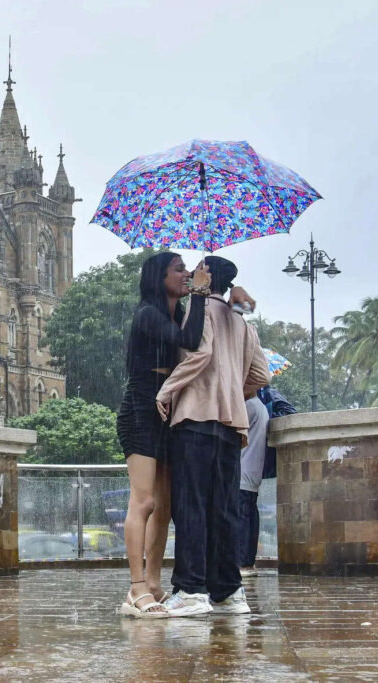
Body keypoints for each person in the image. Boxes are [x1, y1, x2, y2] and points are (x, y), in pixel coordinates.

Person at [156, 256, 269, 617]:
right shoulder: (242, 323)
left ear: (208, 276)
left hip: (196, 417)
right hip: (232, 425)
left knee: (191, 506)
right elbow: (261, 375)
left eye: (197, 268)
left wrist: (167, 389)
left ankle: (190, 589)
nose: (190, 273)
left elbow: (198, 355)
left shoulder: (197, 309)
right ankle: (228, 591)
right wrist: (234, 391)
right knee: (224, 509)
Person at [116, 252, 210, 618]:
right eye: (179, 269)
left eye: (188, 269)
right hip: (141, 409)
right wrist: (200, 294)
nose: (187, 274)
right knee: (144, 502)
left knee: (165, 506)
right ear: (160, 277)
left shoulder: (177, 313)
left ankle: (154, 583)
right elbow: (190, 339)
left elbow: (194, 341)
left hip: (167, 409)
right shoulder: (148, 314)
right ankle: (136, 588)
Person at [237, 395, 270, 576]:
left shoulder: (249, 406)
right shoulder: (261, 407)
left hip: (243, 469)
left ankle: (243, 563)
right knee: (249, 516)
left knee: (242, 517)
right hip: (253, 471)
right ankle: (247, 562)